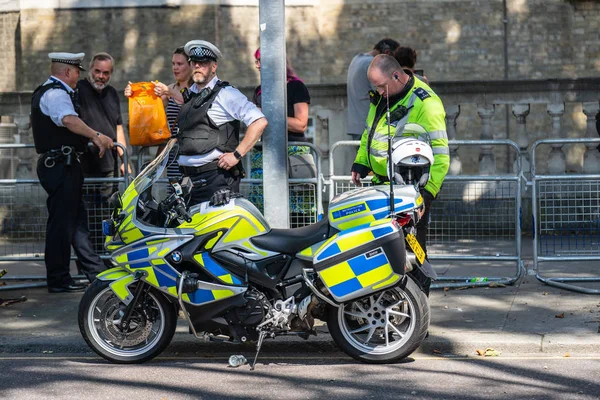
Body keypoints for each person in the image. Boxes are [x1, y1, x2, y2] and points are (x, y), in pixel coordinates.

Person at [350, 54, 449, 295]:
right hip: (382, 187)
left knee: (413, 257)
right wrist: (361, 162)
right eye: (375, 86)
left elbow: (441, 155)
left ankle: (417, 316)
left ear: (396, 75)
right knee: (381, 254)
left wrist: (426, 194)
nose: (378, 91)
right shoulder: (384, 95)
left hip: (411, 191)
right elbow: (369, 132)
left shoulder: (426, 103)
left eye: (381, 86)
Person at [31, 52, 114, 293]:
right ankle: (59, 279)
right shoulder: (56, 94)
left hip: (64, 164)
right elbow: (68, 120)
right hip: (60, 165)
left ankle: (94, 273)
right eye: (78, 71)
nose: (79, 76)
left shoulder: (53, 91)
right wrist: (96, 135)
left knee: (77, 223)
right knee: (62, 225)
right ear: (67, 72)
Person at [173, 40, 267, 206]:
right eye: (194, 62)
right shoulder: (190, 95)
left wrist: (237, 155)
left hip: (216, 181)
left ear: (213, 67)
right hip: (189, 182)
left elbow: (259, 121)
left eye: (203, 63)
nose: (197, 67)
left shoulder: (226, 93)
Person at [249, 48, 314, 226]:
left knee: (299, 214)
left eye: (260, 60)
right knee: (263, 213)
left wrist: (269, 116)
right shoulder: (259, 91)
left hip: (293, 154)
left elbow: (301, 123)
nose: (257, 65)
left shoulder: (295, 86)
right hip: (264, 153)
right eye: (256, 60)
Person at [151, 47, 194, 184]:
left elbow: (193, 104)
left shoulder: (198, 89)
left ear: (191, 65)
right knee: (174, 194)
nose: (175, 68)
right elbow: (151, 112)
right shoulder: (170, 89)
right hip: (173, 152)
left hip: (194, 152)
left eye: (180, 64)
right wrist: (134, 94)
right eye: (173, 64)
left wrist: (168, 92)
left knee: (192, 194)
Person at [346, 38, 400, 141]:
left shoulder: (357, 59)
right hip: (369, 126)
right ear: (387, 52)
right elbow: (383, 91)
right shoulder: (372, 64)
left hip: (356, 124)